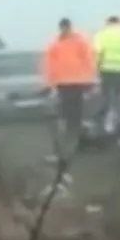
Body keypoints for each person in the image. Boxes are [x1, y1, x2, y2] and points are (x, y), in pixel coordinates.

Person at [42, 18, 97, 147]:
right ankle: (70, 129)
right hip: (63, 80)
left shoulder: (80, 41)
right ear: (60, 28)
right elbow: (49, 63)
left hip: (78, 79)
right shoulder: (54, 43)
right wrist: (49, 81)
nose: (65, 30)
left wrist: (90, 78)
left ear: (70, 27)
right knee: (66, 105)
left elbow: (88, 59)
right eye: (63, 27)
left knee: (77, 105)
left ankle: (75, 128)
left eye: (66, 27)